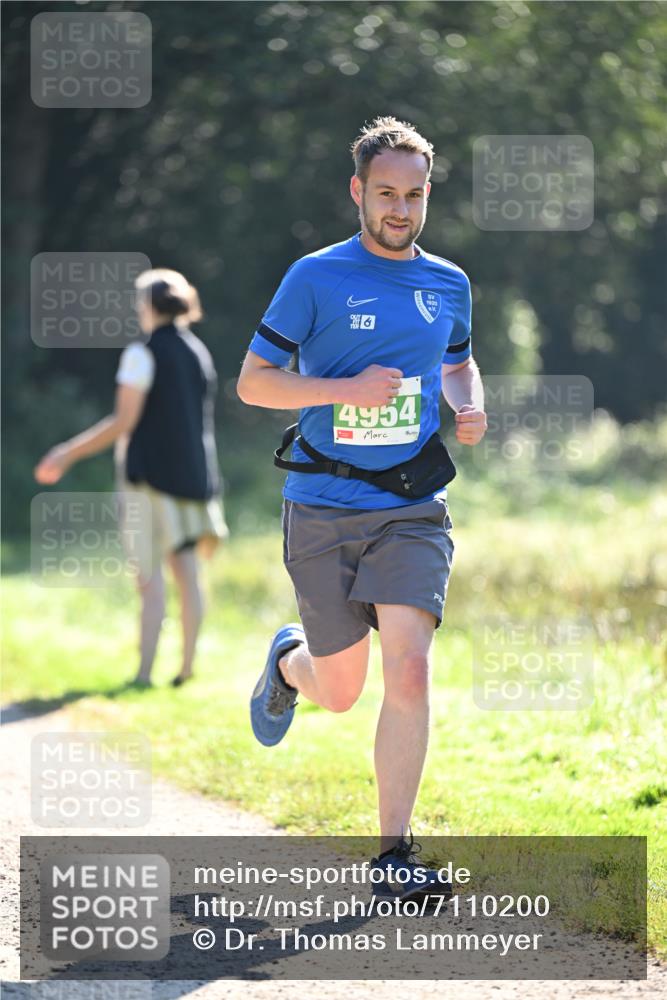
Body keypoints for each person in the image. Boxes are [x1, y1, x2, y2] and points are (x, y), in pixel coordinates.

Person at [238, 116, 487, 899]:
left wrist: (469, 403)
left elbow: (458, 362)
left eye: (414, 195)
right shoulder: (314, 276)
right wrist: (342, 389)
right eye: (385, 193)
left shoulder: (447, 282)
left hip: (411, 503)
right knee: (340, 692)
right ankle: (288, 662)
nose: (400, 210)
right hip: (321, 503)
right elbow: (253, 382)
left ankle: (393, 856)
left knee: (408, 669)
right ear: (357, 191)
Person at [34, 268, 228, 687]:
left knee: (150, 579)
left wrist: (66, 452)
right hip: (195, 478)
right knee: (189, 575)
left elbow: (124, 421)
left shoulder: (142, 353)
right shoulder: (198, 351)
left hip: (149, 481)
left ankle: (143, 674)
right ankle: (187, 669)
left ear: (149, 306)